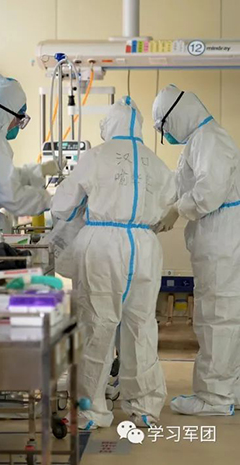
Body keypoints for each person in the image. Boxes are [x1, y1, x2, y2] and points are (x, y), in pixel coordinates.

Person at [51, 97, 176, 429]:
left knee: (97, 324)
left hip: (103, 245)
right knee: (141, 326)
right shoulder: (156, 162)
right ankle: (145, 407)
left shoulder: (95, 156)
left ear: (109, 125)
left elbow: (62, 205)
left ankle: (91, 410)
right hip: (144, 245)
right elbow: (168, 205)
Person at [153, 85, 240, 416]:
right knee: (226, 318)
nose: (166, 136)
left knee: (217, 318)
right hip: (219, 241)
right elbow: (183, 184)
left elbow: (208, 193)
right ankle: (230, 390)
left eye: (164, 128)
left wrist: (177, 210)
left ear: (175, 117)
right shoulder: (200, 140)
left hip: (222, 243)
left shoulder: (209, 139)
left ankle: (213, 398)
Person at [0, 74, 57, 232]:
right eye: (18, 116)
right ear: (2, 112)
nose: (18, 124)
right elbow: (13, 197)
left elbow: (2, 177)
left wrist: (38, 171)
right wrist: (52, 201)